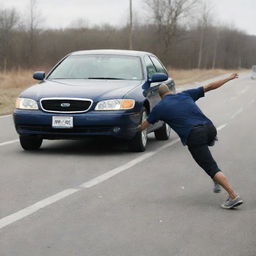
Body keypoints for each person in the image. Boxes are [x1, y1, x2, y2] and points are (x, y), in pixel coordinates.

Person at [138, 73, 243, 209]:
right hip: (210, 129)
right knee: (206, 157)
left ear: (160, 96)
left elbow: (145, 125)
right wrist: (228, 78)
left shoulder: (160, 107)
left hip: (195, 135)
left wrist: (136, 128)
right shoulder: (185, 94)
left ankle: (233, 196)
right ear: (171, 91)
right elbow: (210, 86)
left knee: (210, 167)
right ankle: (215, 179)